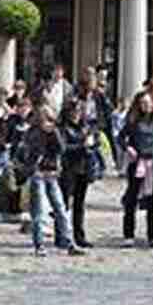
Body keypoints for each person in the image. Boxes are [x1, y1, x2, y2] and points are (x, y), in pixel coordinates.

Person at [18, 105, 86, 257]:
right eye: (44, 118)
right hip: (38, 174)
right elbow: (31, 153)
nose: (47, 121)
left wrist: (53, 132)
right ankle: (39, 244)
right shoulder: (32, 133)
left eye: (49, 118)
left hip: (52, 173)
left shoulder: (54, 131)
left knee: (61, 209)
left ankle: (69, 243)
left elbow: (61, 149)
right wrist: (42, 134)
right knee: (39, 211)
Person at [120, 91, 153, 247]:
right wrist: (128, 148)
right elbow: (121, 137)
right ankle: (128, 235)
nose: (145, 106)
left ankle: (152, 236)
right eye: (142, 103)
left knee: (152, 200)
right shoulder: (133, 120)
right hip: (138, 162)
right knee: (132, 199)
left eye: (148, 103)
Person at [58, 103, 99, 249]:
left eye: (78, 111)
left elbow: (96, 143)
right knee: (64, 203)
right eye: (73, 111)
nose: (76, 114)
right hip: (69, 168)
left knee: (79, 205)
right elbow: (63, 147)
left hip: (84, 168)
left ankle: (79, 236)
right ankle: (61, 235)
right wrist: (83, 146)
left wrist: (93, 143)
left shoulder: (86, 127)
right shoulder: (63, 128)